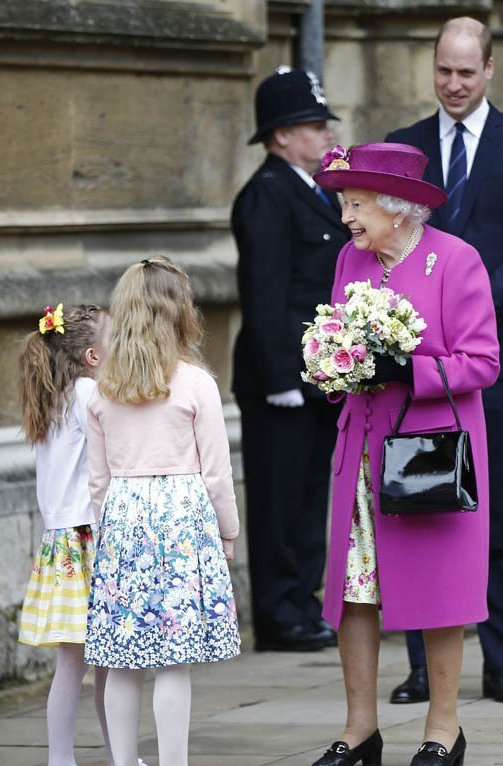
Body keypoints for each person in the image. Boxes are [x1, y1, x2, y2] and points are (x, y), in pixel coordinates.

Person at [307, 142, 499, 766]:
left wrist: (406, 367)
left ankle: (444, 726)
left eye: (357, 204)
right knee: (354, 592)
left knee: (438, 591)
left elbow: (483, 362)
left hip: (427, 453)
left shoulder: (456, 260)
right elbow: (339, 330)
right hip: (360, 446)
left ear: (397, 207)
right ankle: (360, 729)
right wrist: (336, 362)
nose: (347, 218)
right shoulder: (350, 261)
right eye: (344, 204)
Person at [385, 15, 503, 706]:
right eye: (443, 71)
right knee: (416, 506)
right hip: (413, 363)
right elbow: (386, 242)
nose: (453, 84)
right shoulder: (404, 146)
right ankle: (422, 666)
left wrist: (466, 312)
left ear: (489, 70)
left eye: (466, 71)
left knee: (495, 507)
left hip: (498, 360)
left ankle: (502, 660)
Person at [85, 257, 242, 766]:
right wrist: (229, 530)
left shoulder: (104, 387)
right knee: (174, 657)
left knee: (125, 659)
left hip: (124, 520)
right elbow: (217, 471)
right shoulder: (194, 382)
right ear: (181, 313)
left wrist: (110, 534)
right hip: (180, 521)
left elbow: (98, 479)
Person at [17, 303, 158, 766]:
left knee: (103, 661)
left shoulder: (60, 394)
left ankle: (123, 761)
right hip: (84, 539)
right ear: (95, 355)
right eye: (118, 338)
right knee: (80, 662)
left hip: (71, 539)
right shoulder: (86, 394)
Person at [231, 67, 348, 652]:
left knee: (307, 499)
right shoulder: (266, 195)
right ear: (280, 136)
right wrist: (280, 375)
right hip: (280, 378)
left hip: (315, 374)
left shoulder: (312, 190)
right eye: (312, 126)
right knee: (279, 501)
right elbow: (265, 292)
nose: (325, 135)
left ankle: (302, 604)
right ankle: (280, 616)